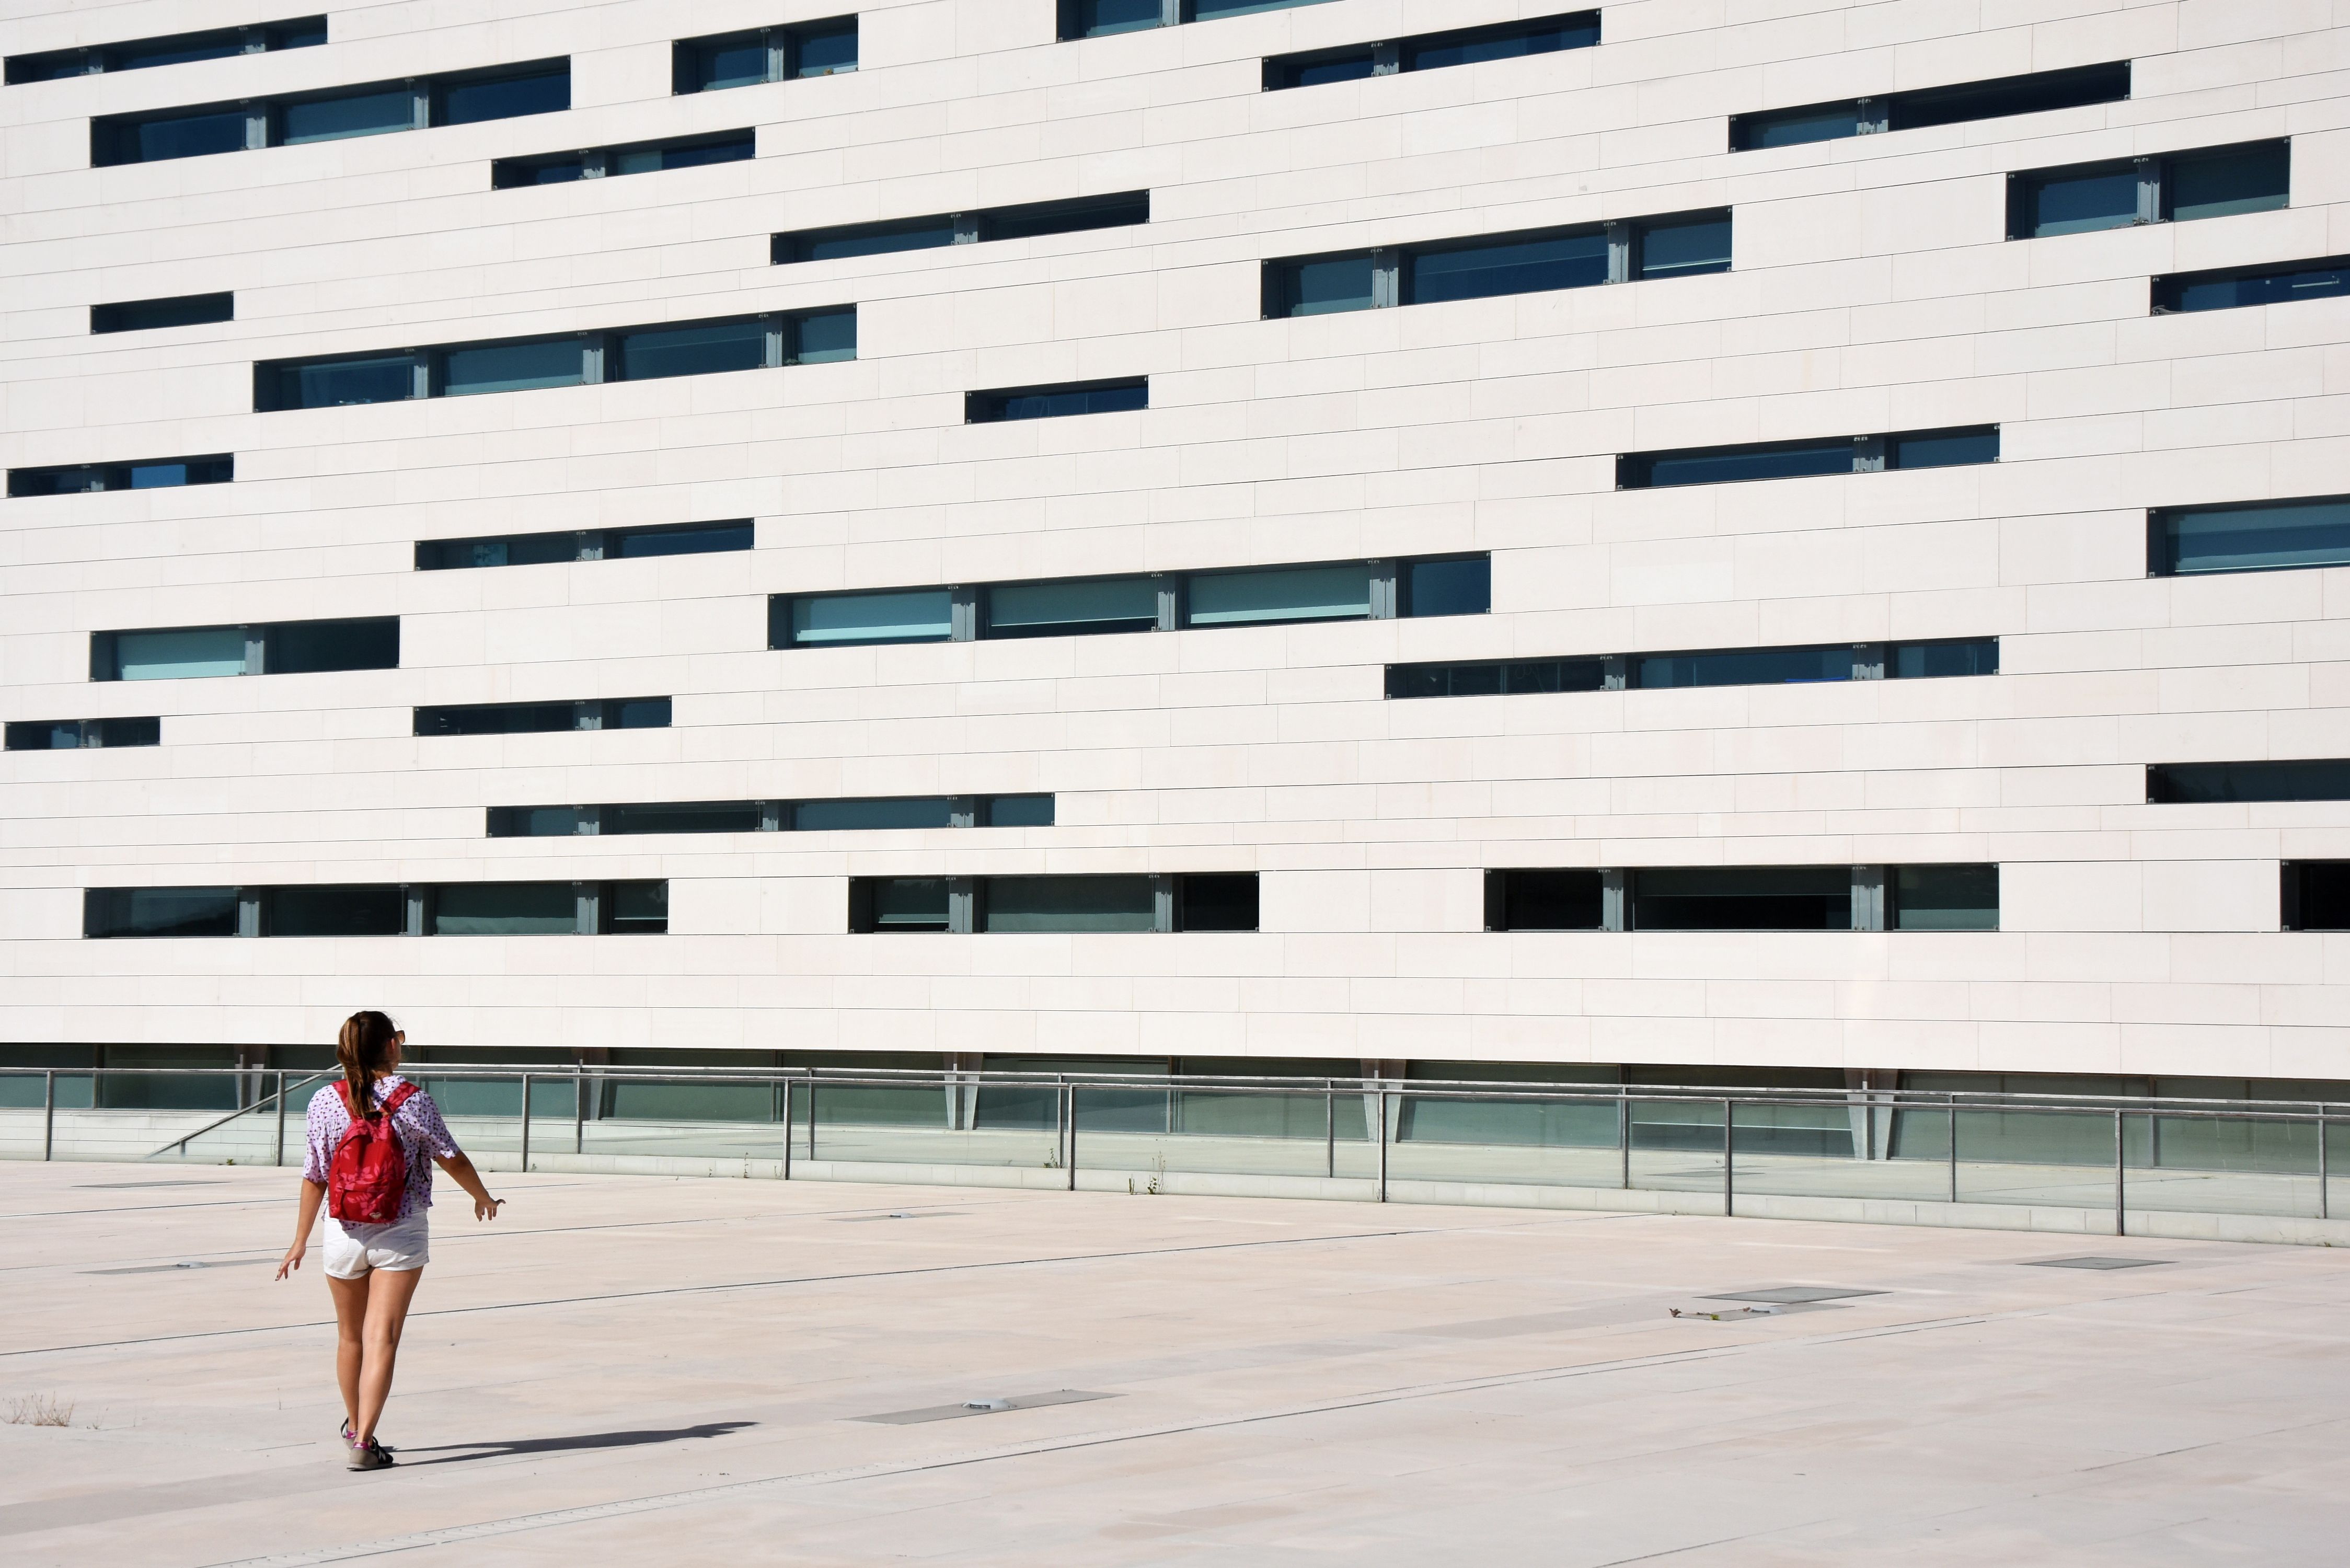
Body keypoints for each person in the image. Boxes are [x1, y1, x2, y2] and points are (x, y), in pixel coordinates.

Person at [274, 1011, 504, 1470]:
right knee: (383, 1338)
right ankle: (364, 1442)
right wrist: (482, 1196)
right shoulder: (413, 1101)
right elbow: (451, 1157)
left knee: (350, 1337)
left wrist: (299, 1240)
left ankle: (354, 1425)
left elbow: (314, 1174)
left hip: (342, 1232)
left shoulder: (323, 1101)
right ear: (392, 1047)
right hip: (400, 1230)